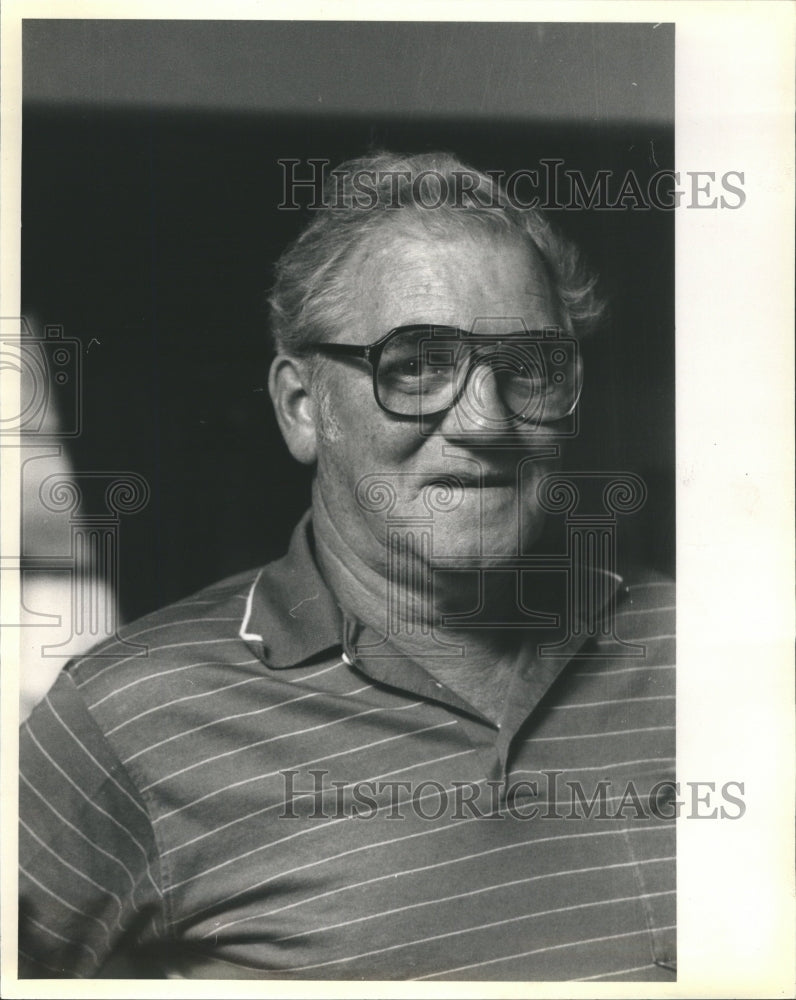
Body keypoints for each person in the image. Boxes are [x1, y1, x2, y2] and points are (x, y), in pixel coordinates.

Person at [19, 151, 675, 981]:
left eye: (529, 369)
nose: (485, 422)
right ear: (302, 409)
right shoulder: (128, 716)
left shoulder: (700, 650)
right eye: (418, 365)